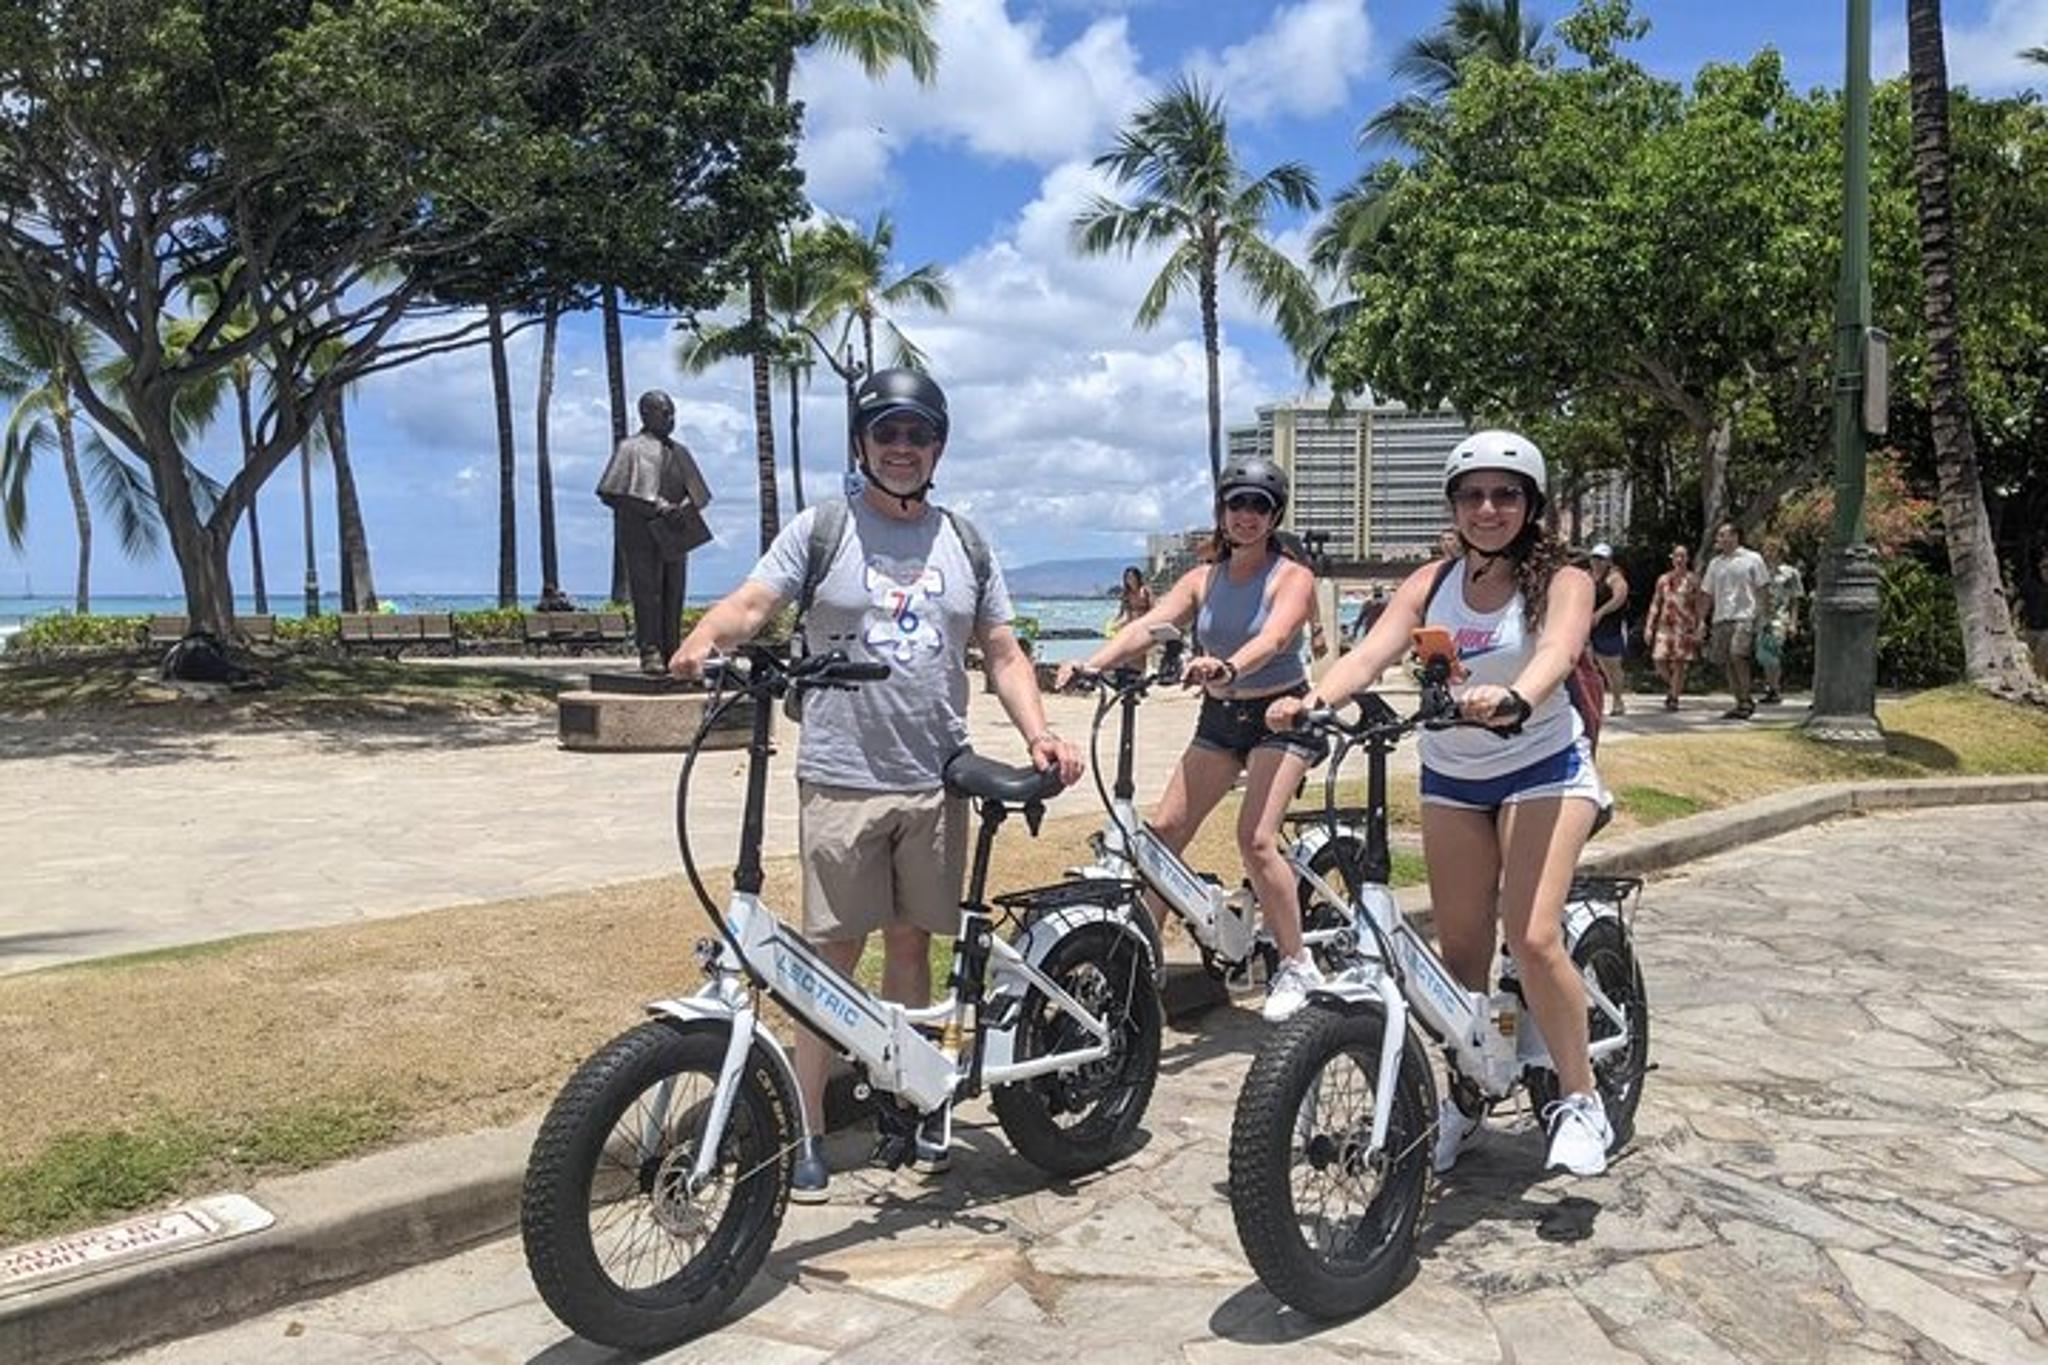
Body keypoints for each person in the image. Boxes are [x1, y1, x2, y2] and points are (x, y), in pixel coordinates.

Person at [668, 367, 1083, 1203]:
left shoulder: (965, 541)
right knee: (829, 955)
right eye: (886, 433)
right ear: (862, 444)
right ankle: (810, 1130)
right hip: (841, 775)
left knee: (909, 944)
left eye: (917, 435)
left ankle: (910, 1101)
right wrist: (702, 638)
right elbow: (755, 601)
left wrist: (1040, 730)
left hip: (935, 776)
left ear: (937, 448)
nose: (902, 448)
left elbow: (1001, 650)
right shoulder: (824, 528)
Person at [1267, 430, 1616, 1178]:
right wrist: (1310, 701)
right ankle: (1467, 1093)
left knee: (1530, 934)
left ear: (1531, 505)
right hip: (1453, 774)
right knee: (1459, 958)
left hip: (1544, 767)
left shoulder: (1564, 579)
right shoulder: (1431, 581)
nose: (1488, 508)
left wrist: (1519, 696)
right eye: (1472, 494)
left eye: (1506, 494)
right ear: (1454, 506)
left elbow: (1557, 649)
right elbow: (1368, 654)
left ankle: (1582, 1100)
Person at [1056, 459, 1328, 1023]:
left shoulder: (1290, 576)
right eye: (1237, 505)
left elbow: (1277, 636)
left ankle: (1297, 962)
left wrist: (1228, 666)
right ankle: (1136, 966)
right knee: (1160, 838)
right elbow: (1146, 626)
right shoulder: (1203, 578)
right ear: (1222, 512)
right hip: (1221, 719)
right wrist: (1091, 662)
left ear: (1274, 515)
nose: (1246, 516)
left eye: (1258, 506)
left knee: (1255, 838)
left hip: (1280, 715)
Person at [1700, 522, 1771, 720]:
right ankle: (1740, 701)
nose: (1719, 539)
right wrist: (1701, 621)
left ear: (1734, 537)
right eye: (1719, 536)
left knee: (1738, 655)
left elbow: (1763, 588)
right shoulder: (1716, 564)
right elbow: (1707, 593)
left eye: (1723, 535)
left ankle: (1747, 699)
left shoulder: (1752, 559)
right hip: (1722, 616)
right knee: (1727, 661)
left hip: (1744, 616)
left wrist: (1763, 615)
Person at [1644, 544, 1703, 711]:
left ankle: (1673, 697)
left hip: (1684, 626)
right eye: (1676, 556)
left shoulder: (1693, 580)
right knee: (1658, 660)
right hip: (1665, 626)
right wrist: (1649, 625)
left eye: (1683, 556)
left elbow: (1699, 605)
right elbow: (1656, 603)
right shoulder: (1663, 580)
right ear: (1672, 558)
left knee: (1679, 663)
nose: (1679, 560)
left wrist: (1700, 625)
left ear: (1687, 558)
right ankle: (1675, 686)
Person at [1755, 539, 1805, 706]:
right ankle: (1769, 685)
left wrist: (1793, 622)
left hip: (1779, 617)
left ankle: (1774, 688)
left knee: (1773, 652)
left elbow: (1795, 600)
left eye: (1771, 550)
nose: (1768, 553)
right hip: (1762, 617)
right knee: (1763, 654)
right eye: (1766, 550)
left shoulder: (1790, 573)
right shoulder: (1761, 572)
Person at [1586, 544, 1630, 716]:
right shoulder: (1587, 577)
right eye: (1594, 557)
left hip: (1610, 627)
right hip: (1590, 627)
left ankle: (1618, 701)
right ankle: (1593, 702)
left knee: (1612, 666)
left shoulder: (1614, 578)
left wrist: (1601, 613)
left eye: (1601, 558)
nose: (1596, 562)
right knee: (1592, 665)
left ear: (1609, 561)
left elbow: (1620, 597)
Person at [2021, 547, 2048, 677]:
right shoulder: (2031, 584)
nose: (2046, 570)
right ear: (2039, 568)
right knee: (2028, 658)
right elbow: (2020, 601)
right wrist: (2012, 619)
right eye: (2044, 567)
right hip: (2030, 628)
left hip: (2046, 629)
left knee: (2042, 655)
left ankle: (2040, 680)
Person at [1110, 565, 1154, 632]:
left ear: (1137, 577)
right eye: (1128, 578)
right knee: (1115, 628)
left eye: (1133, 577)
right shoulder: (1126, 594)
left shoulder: (1146, 591)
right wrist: (1116, 623)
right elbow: (1125, 614)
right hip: (1132, 624)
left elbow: (1153, 608)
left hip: (1146, 622)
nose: (1131, 580)